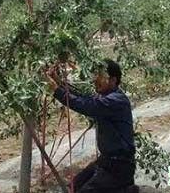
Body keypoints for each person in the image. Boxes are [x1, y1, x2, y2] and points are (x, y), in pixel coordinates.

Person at [45, 59, 139, 193]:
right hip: (106, 161)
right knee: (74, 186)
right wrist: (58, 82)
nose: (95, 80)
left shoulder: (115, 101)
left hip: (119, 166)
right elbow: (82, 96)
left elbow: (86, 105)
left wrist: (55, 90)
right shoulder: (105, 96)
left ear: (113, 80)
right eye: (95, 76)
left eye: (100, 76)